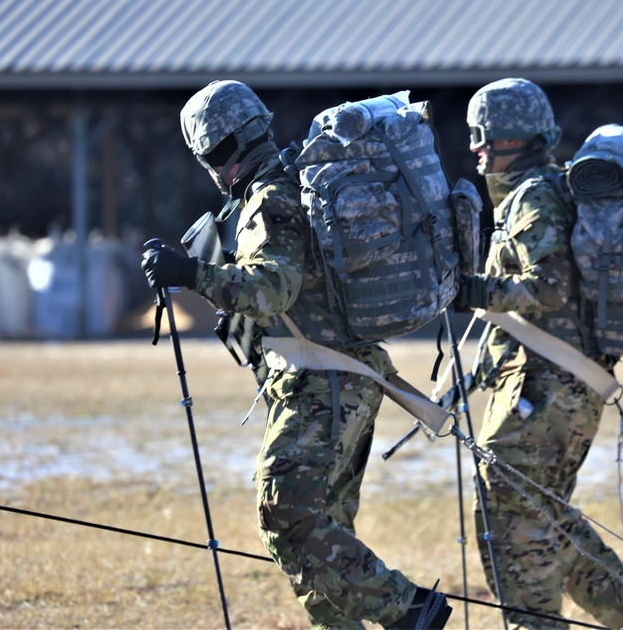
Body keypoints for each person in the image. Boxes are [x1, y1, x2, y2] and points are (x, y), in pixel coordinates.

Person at [141, 80, 451, 630]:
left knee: (286, 515)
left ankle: (409, 611)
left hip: (323, 384)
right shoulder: (284, 187)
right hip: (338, 381)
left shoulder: (271, 199)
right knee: (318, 537)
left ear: (214, 153)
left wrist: (191, 274)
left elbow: (271, 290)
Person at [454, 78, 623, 630]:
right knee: (539, 507)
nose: (475, 148)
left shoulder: (534, 196)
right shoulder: (545, 189)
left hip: (546, 386)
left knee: (512, 512)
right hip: (554, 385)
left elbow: (549, 287)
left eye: (481, 135)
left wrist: (467, 290)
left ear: (510, 138)